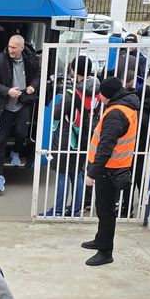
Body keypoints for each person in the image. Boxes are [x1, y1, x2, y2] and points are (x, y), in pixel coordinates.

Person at [81, 75, 139, 266]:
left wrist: (92, 173)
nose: (99, 97)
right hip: (114, 168)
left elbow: (106, 146)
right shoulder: (125, 106)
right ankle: (100, 239)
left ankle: (105, 252)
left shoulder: (116, 113)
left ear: (108, 95)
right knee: (103, 208)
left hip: (109, 169)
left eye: (101, 94)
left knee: (106, 212)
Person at [47, 54, 100, 216]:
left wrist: (60, 100)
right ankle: (76, 209)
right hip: (85, 138)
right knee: (76, 174)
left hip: (67, 139)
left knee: (62, 174)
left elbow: (56, 113)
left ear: (75, 71)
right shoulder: (97, 91)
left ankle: (58, 209)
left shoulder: (72, 93)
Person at [0, 34, 40, 195]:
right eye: (9, 46)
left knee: (21, 133)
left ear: (22, 48)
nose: (10, 49)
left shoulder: (31, 59)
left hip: (22, 102)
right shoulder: (0, 59)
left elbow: (38, 76)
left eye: (14, 47)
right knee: (0, 140)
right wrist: (8, 91)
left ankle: (16, 151)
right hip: (4, 105)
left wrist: (32, 86)